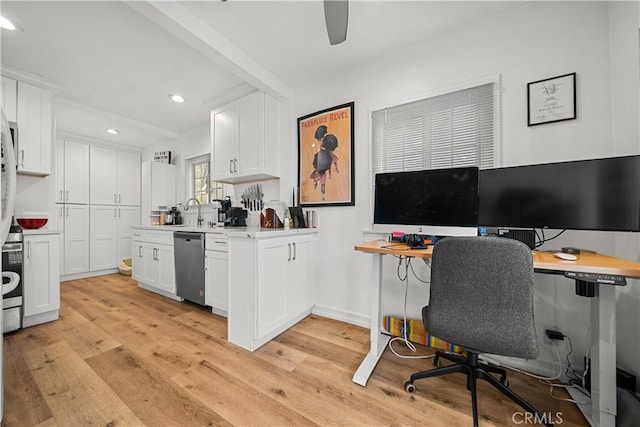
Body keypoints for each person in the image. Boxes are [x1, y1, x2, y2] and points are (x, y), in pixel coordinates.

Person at [310, 133, 339, 201]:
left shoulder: (323, 148)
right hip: (322, 164)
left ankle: (317, 185)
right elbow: (331, 155)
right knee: (322, 182)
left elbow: (330, 155)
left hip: (321, 164)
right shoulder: (326, 150)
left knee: (321, 182)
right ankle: (321, 193)